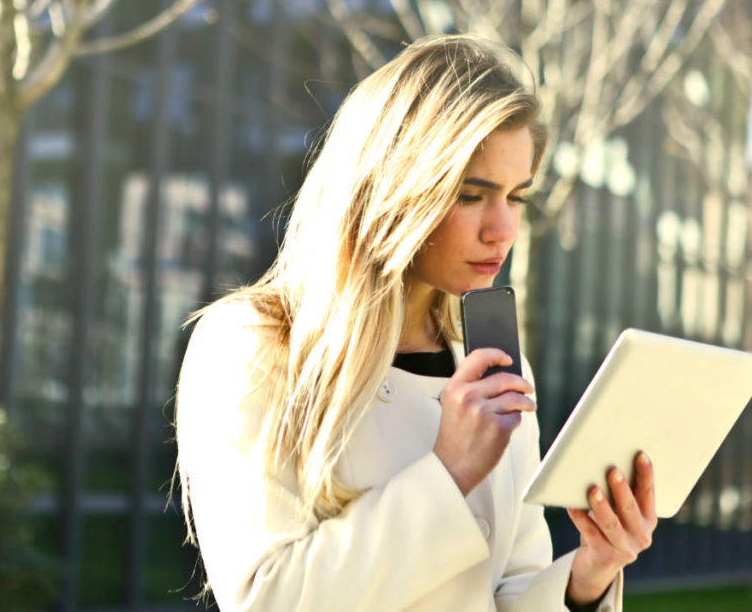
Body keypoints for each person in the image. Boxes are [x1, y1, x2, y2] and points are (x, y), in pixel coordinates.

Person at [174, 34, 657, 612]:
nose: (503, 230)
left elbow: (508, 588)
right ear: (396, 188)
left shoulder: (491, 359)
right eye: (472, 195)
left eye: (516, 197)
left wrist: (587, 577)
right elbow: (265, 599)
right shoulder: (253, 345)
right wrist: (448, 474)